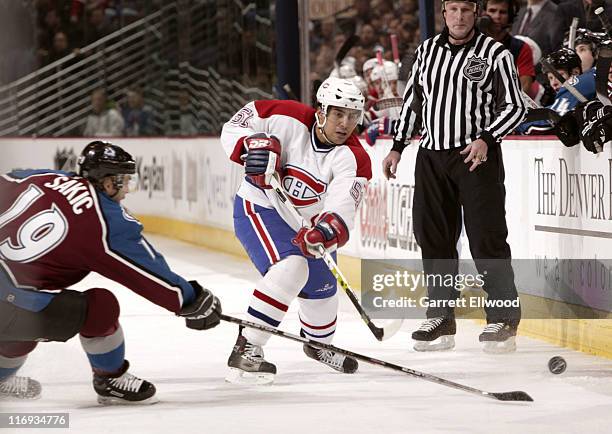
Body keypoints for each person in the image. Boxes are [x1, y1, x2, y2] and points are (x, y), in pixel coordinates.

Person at [0, 141, 222, 403]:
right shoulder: (105, 220)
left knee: (27, 320)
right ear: (107, 182)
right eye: (124, 180)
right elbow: (150, 275)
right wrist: (191, 299)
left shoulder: (43, 177)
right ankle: (110, 379)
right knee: (100, 306)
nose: (127, 189)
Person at [383, 0, 527, 353]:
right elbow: (414, 102)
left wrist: (487, 138)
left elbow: (516, 105)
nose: (459, 17)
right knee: (433, 239)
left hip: (475, 156)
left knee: (486, 238)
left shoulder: (494, 53)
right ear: (444, 13)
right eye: (453, 10)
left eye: (466, 9)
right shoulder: (427, 51)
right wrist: (398, 145)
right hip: (431, 157)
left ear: (474, 12)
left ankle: (503, 317)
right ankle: (440, 315)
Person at [220, 77, 371, 384]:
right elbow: (234, 126)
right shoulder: (284, 116)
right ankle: (248, 345)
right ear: (321, 112)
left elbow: (343, 207)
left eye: (353, 116)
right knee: (291, 268)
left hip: (307, 225)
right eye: (338, 114)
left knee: (322, 309)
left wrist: (327, 230)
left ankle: (318, 345)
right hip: (260, 207)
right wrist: (249, 146)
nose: (345, 123)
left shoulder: (354, 158)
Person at [517, 47, 596, 134]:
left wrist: (517, 124)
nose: (554, 83)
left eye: (559, 75)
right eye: (550, 78)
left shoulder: (579, 85)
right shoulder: (561, 101)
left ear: (575, 73)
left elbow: (551, 121)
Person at [481, 0, 536, 94]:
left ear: (510, 16)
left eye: (502, 12)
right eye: (492, 11)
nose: (497, 16)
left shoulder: (521, 48)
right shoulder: (470, 43)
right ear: (484, 13)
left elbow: (523, 91)